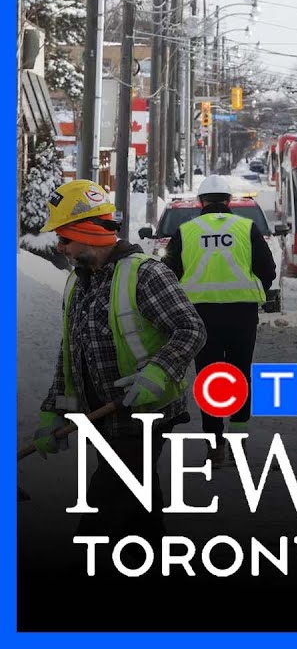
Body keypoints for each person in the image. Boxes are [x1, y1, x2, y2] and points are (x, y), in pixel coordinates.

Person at [35, 180, 206, 552]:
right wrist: (53, 410)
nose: (59, 247)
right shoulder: (77, 282)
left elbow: (191, 329)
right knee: (139, 506)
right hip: (103, 415)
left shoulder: (146, 274)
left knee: (105, 504)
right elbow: (71, 350)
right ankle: (154, 557)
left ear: (87, 232)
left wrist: (157, 371)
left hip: (144, 414)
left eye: (64, 238)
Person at [163, 175, 276, 466]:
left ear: (201, 202)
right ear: (228, 202)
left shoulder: (186, 231)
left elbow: (168, 274)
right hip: (242, 314)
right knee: (241, 374)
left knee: (209, 377)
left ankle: (214, 446)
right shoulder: (246, 228)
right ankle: (238, 442)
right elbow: (267, 269)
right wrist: (255, 292)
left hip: (200, 315)